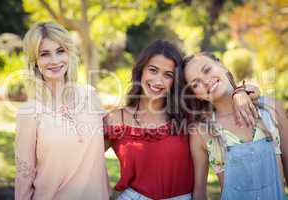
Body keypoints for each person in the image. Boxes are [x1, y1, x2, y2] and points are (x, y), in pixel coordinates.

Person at [103, 40, 257, 200]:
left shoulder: (189, 114)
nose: (158, 80)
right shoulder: (115, 118)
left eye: (168, 75)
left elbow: (226, 97)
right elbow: (86, 159)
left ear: (175, 81)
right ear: (141, 71)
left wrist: (240, 92)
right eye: (153, 70)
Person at [15, 22, 110, 200]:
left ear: (69, 53)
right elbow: (24, 174)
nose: (55, 60)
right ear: (34, 61)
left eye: (60, 51)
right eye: (44, 54)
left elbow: (111, 136)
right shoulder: (30, 112)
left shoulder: (89, 95)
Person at [181, 52, 288, 200]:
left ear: (221, 66)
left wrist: (241, 91)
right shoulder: (202, 132)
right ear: (196, 95)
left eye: (207, 70)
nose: (205, 81)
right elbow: (199, 192)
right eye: (196, 83)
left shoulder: (271, 108)